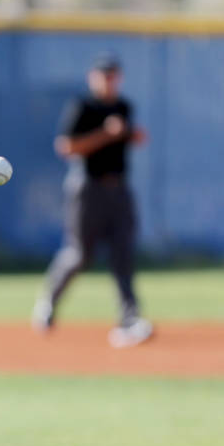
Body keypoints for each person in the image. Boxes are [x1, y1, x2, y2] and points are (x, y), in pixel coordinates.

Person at [32, 53, 153, 348]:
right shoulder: (84, 107)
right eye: (104, 75)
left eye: (113, 75)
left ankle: (129, 319)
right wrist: (106, 134)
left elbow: (127, 139)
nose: (109, 80)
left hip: (119, 188)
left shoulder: (124, 106)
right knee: (79, 254)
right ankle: (48, 303)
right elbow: (67, 147)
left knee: (123, 251)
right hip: (87, 189)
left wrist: (131, 136)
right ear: (93, 78)